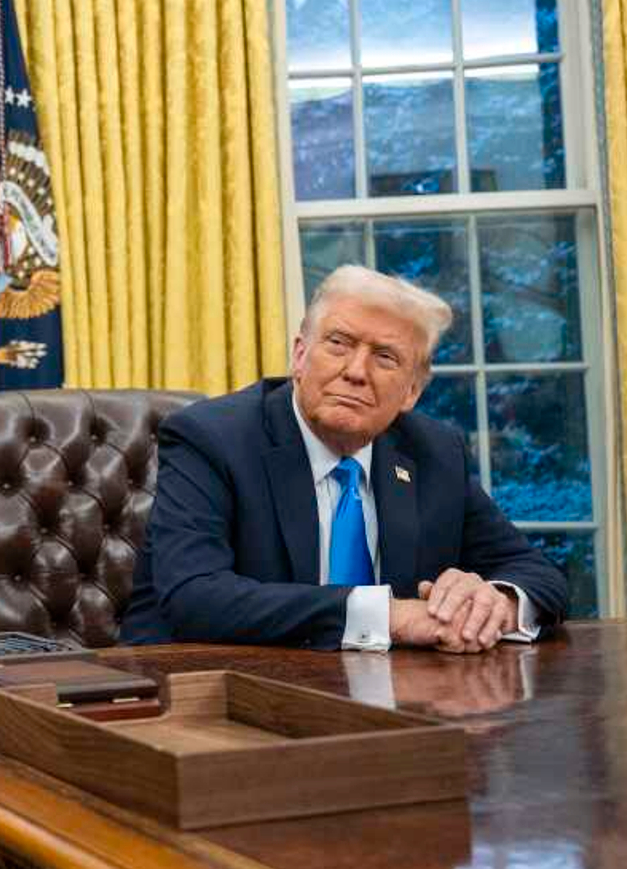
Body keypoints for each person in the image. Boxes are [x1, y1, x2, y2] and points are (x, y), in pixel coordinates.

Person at [120, 265, 567, 652]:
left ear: (412, 391)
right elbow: (195, 597)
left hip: (388, 697)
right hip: (205, 693)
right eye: (338, 343)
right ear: (299, 355)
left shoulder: (435, 452)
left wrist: (494, 605)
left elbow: (538, 574)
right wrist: (391, 616)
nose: (355, 372)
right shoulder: (211, 438)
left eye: (385, 357)